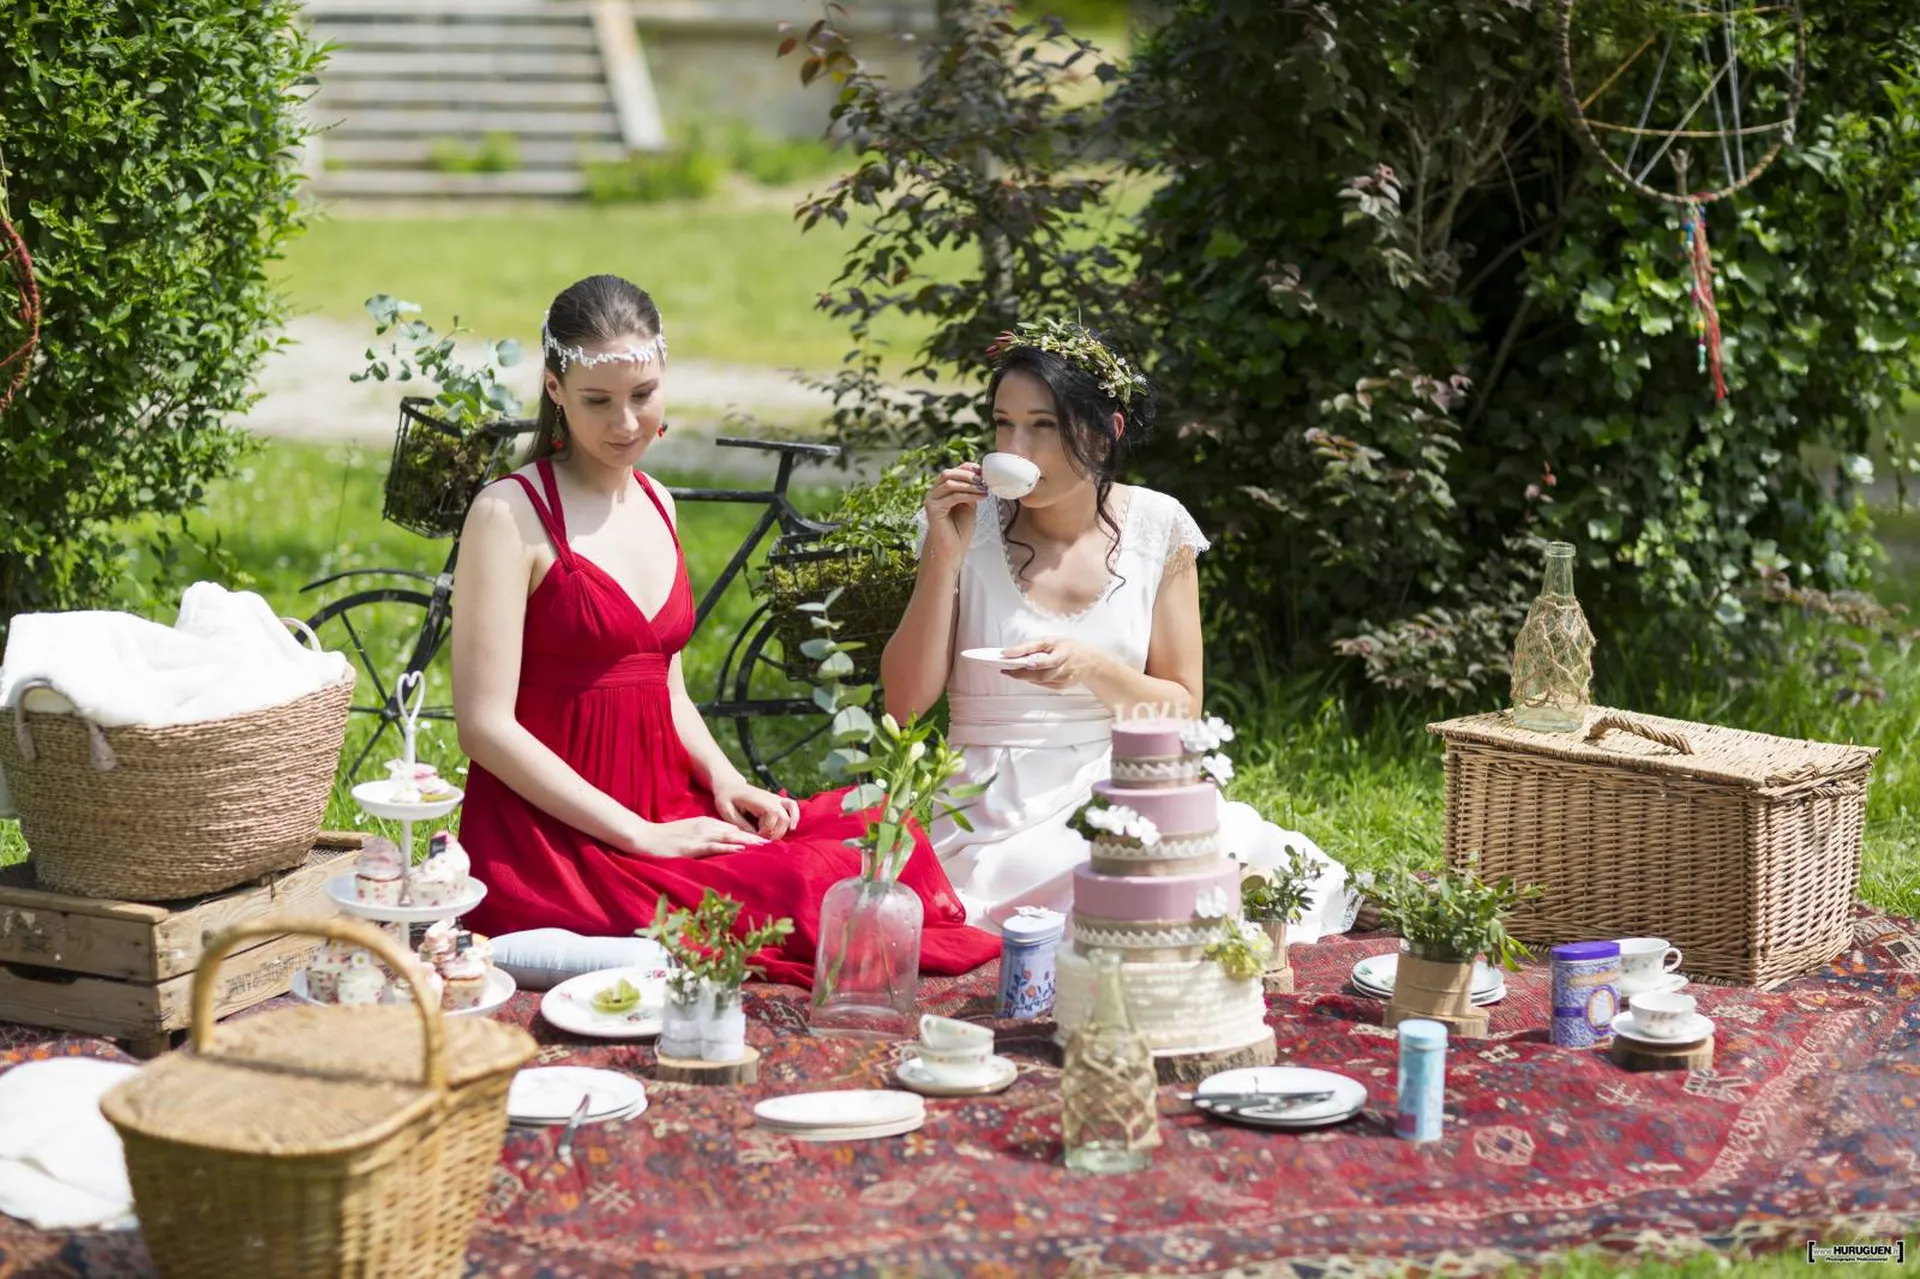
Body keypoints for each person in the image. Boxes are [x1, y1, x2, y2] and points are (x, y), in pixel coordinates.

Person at [450, 274, 997, 985]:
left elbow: (663, 677)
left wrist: (725, 778)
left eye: (642, 396)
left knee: (877, 833)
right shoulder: (509, 513)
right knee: (815, 880)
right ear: (554, 389)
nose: (624, 423)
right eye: (597, 402)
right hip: (563, 838)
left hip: (666, 798)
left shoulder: (658, 500)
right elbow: (483, 726)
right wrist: (641, 835)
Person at [879, 319, 1351, 938]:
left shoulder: (1159, 526)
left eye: (1042, 427)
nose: (1014, 449)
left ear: (1106, 434)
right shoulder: (966, 525)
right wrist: (943, 556)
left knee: (1215, 849)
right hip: (993, 808)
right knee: (1111, 873)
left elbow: (1183, 710)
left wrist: (1093, 669)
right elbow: (904, 705)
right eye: (1002, 424)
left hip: (1120, 782)